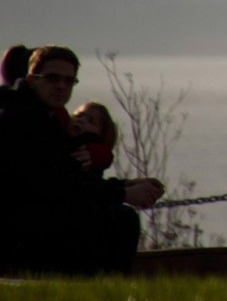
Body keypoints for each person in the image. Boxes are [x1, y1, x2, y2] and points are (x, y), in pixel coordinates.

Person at [0, 46, 162, 276]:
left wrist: (124, 185)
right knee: (122, 219)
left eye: (69, 81)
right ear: (31, 79)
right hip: (19, 236)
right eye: (52, 78)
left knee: (113, 217)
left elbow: (68, 177)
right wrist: (123, 194)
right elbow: (53, 186)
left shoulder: (46, 117)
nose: (61, 86)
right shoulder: (20, 119)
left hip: (37, 224)